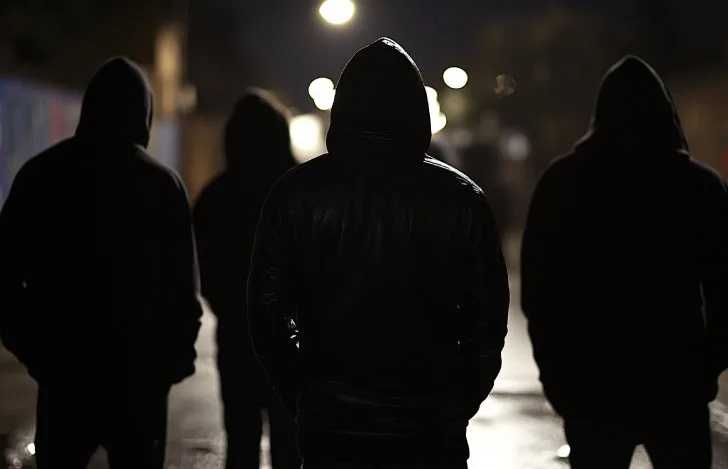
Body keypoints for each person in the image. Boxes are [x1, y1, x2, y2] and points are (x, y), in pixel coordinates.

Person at [247, 37, 510, 469]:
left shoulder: (295, 194)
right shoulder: (461, 199)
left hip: (331, 427)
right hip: (430, 429)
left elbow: (266, 313)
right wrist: (455, 403)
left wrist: (303, 394)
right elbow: (487, 321)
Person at [521, 55, 728, 469]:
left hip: (593, 385)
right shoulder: (699, 186)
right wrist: (706, 370)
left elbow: (541, 294)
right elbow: (725, 292)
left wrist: (557, 378)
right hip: (676, 383)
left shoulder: (563, 181)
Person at [0, 56, 203, 468]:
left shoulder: (42, 174)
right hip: (139, 380)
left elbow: (5, 274)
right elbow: (181, 289)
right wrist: (172, 362)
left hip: (64, 375)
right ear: (143, 114)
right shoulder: (161, 184)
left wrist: (35, 352)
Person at [193, 90, 301, 469]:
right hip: (294, 343)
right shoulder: (299, 192)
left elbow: (206, 274)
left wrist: (231, 309)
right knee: (292, 447)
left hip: (237, 339)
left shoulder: (215, 197)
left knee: (240, 443)